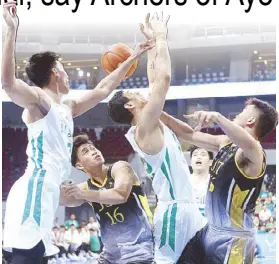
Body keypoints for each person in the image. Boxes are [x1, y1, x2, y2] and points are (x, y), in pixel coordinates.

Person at [2, 2, 152, 263]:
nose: (69, 74)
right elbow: (8, 82)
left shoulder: (66, 107)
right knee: (28, 258)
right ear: (53, 73)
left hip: (47, 189)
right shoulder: (40, 100)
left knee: (33, 256)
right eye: (64, 69)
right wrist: (11, 30)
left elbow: (103, 89)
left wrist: (133, 57)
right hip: (35, 187)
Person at [107, 13, 204, 263]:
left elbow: (153, 80)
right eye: (132, 91)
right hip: (174, 211)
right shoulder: (144, 126)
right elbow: (163, 79)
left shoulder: (148, 120)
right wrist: (161, 37)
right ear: (130, 106)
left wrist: (150, 47)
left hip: (186, 208)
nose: (139, 90)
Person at [160, 98, 278, 263]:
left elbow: (250, 144)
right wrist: (155, 110)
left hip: (234, 240)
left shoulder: (255, 154)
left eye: (242, 113)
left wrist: (216, 116)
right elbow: (189, 134)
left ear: (251, 121)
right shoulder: (225, 142)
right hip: (210, 231)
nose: (236, 115)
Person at [61, 133, 154, 264]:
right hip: (110, 255)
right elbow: (58, 200)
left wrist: (83, 194)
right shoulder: (85, 187)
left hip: (140, 249)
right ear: (80, 165)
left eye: (93, 148)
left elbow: (120, 195)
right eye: (86, 151)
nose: (93, 151)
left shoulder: (121, 167)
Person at [189, 146, 213, 221]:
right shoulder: (184, 183)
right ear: (191, 162)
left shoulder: (216, 183)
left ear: (210, 162)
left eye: (203, 154)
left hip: (210, 228)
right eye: (195, 155)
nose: (198, 157)